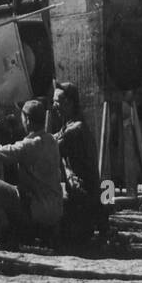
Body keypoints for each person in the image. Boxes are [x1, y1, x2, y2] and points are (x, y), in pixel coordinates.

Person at [0, 99, 63, 249]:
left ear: (27, 119)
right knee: (13, 190)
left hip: (38, 208)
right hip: (54, 208)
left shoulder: (29, 145)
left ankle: (2, 236)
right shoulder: (51, 140)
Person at [52, 82, 108, 242]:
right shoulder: (71, 125)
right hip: (85, 196)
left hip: (82, 200)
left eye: (57, 101)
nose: (54, 105)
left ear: (69, 103)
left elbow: (49, 151)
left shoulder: (74, 131)